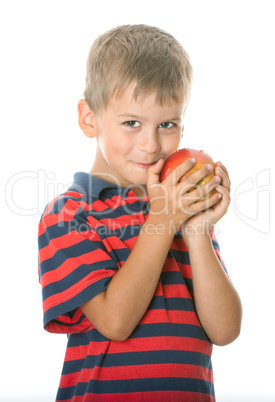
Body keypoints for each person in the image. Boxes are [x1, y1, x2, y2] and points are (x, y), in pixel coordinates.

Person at [38, 24, 242, 401]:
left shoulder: (179, 207)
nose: (150, 144)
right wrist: (163, 221)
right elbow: (115, 322)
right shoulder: (69, 215)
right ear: (89, 119)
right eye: (132, 123)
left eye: (167, 125)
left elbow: (225, 330)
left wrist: (196, 231)